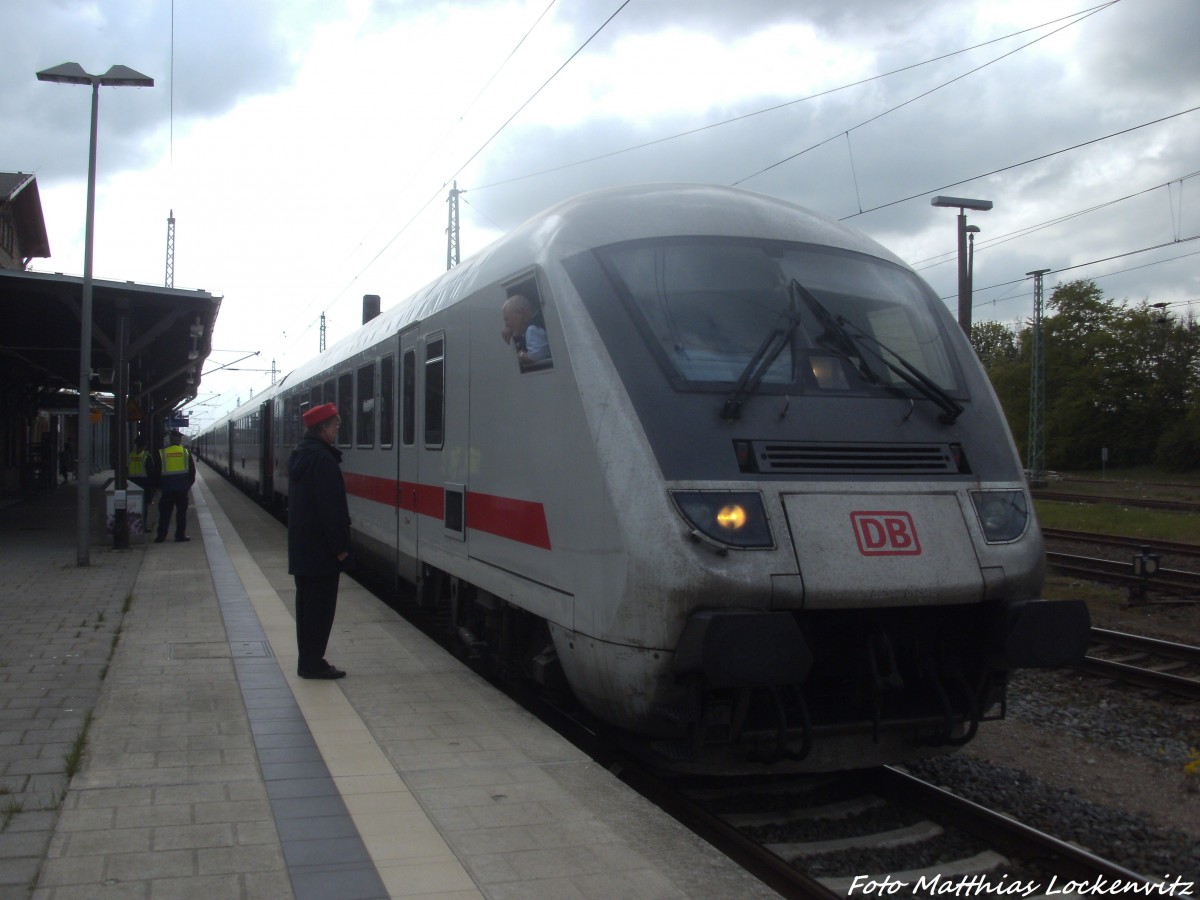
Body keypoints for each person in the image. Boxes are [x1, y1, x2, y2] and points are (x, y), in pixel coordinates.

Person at [287, 402, 352, 680]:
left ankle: (309, 659)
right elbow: (331, 509)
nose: (337, 430)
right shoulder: (323, 460)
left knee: (307, 609)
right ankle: (312, 664)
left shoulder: (303, 455)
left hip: (304, 550)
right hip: (322, 552)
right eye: (335, 426)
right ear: (324, 427)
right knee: (320, 610)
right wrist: (340, 549)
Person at [150, 430, 196, 543]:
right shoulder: (185, 453)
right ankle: (180, 536)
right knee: (181, 513)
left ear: (170, 440)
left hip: (167, 489)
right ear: (179, 440)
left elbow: (156, 472)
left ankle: (161, 536)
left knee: (165, 513)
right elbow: (192, 472)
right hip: (182, 489)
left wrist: (158, 486)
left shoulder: (162, 453)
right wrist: (188, 485)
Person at [500, 294, 552, 369]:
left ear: (519, 314)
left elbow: (536, 356)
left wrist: (521, 354)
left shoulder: (532, 329)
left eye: (506, 319)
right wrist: (510, 327)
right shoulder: (539, 319)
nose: (507, 324)